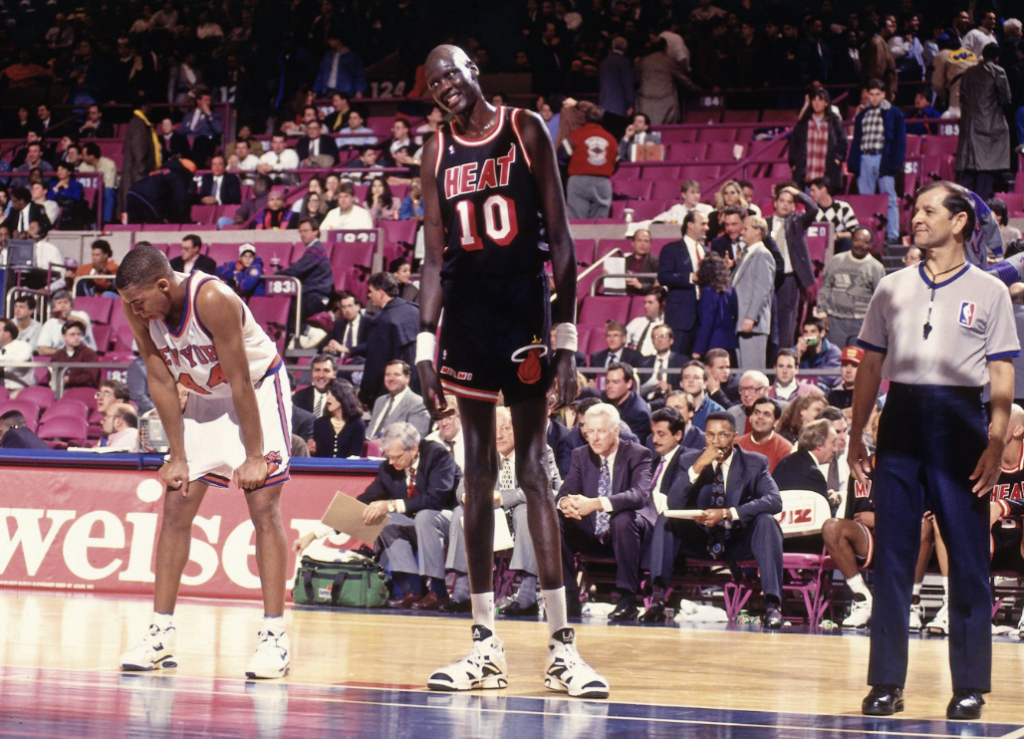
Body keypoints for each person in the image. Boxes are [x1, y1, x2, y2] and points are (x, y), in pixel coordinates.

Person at [416, 45, 607, 697]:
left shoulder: (523, 128)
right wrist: (422, 340)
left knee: (531, 470)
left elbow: (561, 239)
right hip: (466, 317)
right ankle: (483, 643)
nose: (444, 87)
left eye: (452, 73)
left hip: (523, 310)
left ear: (475, 70)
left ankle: (562, 647)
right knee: (474, 474)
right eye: (433, 81)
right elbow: (434, 256)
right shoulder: (436, 152)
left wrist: (567, 339)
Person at [849, 181, 1019, 720]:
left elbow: (1000, 373)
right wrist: (856, 435)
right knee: (895, 560)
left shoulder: (990, 290)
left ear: (961, 221)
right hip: (899, 421)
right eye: (915, 209)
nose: (916, 218)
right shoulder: (891, 285)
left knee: (968, 561)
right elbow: (870, 367)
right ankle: (885, 683)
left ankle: (969, 685)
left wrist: (995, 442)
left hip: (960, 423)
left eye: (928, 210)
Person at [115, 245, 294, 679]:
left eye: (138, 301)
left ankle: (275, 636)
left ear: (163, 285)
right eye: (128, 304)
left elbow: (239, 381)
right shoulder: (139, 309)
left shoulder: (211, 298)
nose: (134, 310)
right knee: (176, 505)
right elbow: (159, 377)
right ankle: (161, 632)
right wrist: (177, 456)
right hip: (204, 400)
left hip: (254, 391)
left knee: (263, 507)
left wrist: (254, 456)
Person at [295, 422, 461, 609]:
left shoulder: (437, 455)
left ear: (413, 449)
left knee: (423, 516)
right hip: (419, 523)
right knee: (386, 521)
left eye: (396, 457)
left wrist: (390, 504)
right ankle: (415, 590)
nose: (391, 462)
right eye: (388, 457)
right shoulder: (389, 468)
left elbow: (436, 499)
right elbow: (361, 503)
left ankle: (438, 591)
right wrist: (313, 534)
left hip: (450, 522)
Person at [664, 412, 786, 628]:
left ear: (735, 436)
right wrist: (698, 466)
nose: (716, 441)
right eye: (710, 435)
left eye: (723, 435)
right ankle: (656, 599)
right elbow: (673, 504)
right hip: (700, 540)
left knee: (767, 521)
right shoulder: (688, 460)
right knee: (664, 522)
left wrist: (730, 512)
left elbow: (774, 500)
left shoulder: (754, 463)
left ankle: (773, 605)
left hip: (737, 540)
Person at [444, 406, 562, 616]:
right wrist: (466, 497)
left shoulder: (538, 450)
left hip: (522, 519)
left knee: (525, 511)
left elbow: (549, 490)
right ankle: (461, 591)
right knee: (460, 513)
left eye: (506, 428)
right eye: (495, 429)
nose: (499, 435)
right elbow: (465, 484)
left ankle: (527, 595)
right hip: (491, 519)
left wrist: (504, 497)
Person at [557, 402, 654, 622]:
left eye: (600, 431)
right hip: (592, 531)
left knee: (622, 519)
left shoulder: (638, 454)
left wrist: (596, 503)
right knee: (557, 518)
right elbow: (564, 492)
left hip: (629, 532)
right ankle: (569, 596)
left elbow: (639, 496)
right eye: (589, 432)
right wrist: (565, 504)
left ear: (616, 431)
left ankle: (628, 599)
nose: (594, 438)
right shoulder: (581, 455)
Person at [848, 79, 906, 245]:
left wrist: (894, 164)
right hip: (865, 158)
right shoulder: (862, 115)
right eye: (871, 94)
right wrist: (854, 164)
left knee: (889, 198)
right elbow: (857, 140)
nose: (873, 98)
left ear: (883, 94)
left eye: (877, 94)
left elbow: (899, 141)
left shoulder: (893, 113)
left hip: (883, 158)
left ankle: (893, 235)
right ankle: (867, 234)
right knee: (865, 199)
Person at [955, 43, 1011, 202]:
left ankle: (957, 205)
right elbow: (1005, 98)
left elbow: (963, 97)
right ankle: (979, 212)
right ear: (997, 58)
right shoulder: (997, 72)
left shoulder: (969, 72)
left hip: (969, 127)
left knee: (970, 172)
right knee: (986, 170)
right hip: (989, 127)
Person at [817, 227, 885, 349]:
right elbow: (826, 287)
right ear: (852, 240)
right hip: (835, 321)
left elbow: (880, 299)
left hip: (861, 323)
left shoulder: (876, 267)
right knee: (835, 361)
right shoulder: (837, 260)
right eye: (857, 240)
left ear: (870, 245)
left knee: (857, 362)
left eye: (865, 242)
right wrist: (822, 313)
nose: (860, 245)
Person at [768, 184, 818, 349]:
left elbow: (813, 209)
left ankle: (784, 360)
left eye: (789, 202)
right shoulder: (764, 224)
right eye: (782, 200)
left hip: (789, 280)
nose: (785, 205)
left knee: (786, 324)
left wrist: (797, 192)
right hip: (767, 279)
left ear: (794, 206)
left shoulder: (797, 222)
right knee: (767, 322)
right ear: (775, 203)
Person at [360, 271, 419, 407]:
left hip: (391, 395)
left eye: (370, 291)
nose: (369, 296)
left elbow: (375, 364)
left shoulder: (382, 321)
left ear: (381, 292)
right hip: (418, 388)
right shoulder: (416, 310)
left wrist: (365, 395)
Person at [658, 211, 708, 355]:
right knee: (678, 362)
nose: (707, 228)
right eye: (703, 223)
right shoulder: (671, 249)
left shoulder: (707, 251)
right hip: (681, 319)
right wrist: (690, 277)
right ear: (690, 225)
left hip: (704, 319)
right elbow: (663, 277)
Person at [732, 216, 776, 369]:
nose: (741, 232)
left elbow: (762, 289)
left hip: (752, 326)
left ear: (757, 231)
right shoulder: (746, 253)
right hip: (741, 323)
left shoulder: (763, 254)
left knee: (753, 372)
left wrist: (751, 317)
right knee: (743, 373)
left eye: (745, 229)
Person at [564, 105, 617, 219]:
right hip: (602, 182)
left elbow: (560, 158)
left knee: (577, 224)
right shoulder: (611, 139)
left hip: (578, 182)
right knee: (600, 227)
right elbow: (617, 163)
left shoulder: (574, 135)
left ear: (585, 117)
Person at [789, 88, 848, 190]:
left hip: (826, 174)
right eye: (814, 100)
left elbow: (843, 142)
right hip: (806, 173)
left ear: (826, 103)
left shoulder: (834, 121)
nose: (816, 103)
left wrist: (837, 158)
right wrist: (794, 163)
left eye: (820, 100)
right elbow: (794, 143)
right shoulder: (804, 122)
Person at [277, 220, 334, 322]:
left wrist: (275, 275)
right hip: (311, 294)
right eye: (301, 231)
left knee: (289, 309)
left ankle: (306, 333)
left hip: (317, 296)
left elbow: (297, 269)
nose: (302, 234)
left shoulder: (316, 250)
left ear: (315, 232)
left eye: (306, 231)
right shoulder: (313, 249)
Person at [772, 418, 837, 507]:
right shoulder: (813, 474)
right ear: (818, 444)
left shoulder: (785, 461)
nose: (835, 449)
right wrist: (836, 500)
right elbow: (828, 514)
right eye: (833, 444)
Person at [367, 360, 431, 440]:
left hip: (391, 451)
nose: (391, 379)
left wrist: (378, 445)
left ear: (407, 378)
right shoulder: (380, 401)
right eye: (387, 375)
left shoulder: (417, 403)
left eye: (396, 374)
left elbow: (414, 440)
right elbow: (370, 431)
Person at [692, 252, 738, 360]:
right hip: (729, 343)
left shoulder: (708, 291)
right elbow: (735, 315)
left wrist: (698, 350)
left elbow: (707, 323)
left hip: (713, 344)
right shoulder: (730, 290)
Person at [126, 158, 197, 224]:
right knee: (156, 227)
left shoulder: (162, 171)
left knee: (134, 226)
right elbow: (180, 200)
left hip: (132, 192)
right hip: (149, 198)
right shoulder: (179, 176)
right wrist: (184, 221)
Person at [309, 378, 365, 458]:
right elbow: (318, 456)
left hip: (348, 469)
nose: (328, 398)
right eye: (327, 394)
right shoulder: (320, 423)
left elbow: (355, 456)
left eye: (332, 394)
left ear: (344, 396)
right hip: (323, 469)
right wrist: (313, 451)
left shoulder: (357, 425)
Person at [737, 397, 792, 472]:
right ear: (750, 418)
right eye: (756, 413)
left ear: (776, 422)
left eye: (766, 414)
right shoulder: (737, 444)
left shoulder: (785, 449)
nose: (760, 417)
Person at [601, 362, 652, 442]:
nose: (609, 386)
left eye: (615, 382)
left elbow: (634, 445)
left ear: (629, 383)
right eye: (608, 382)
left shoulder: (639, 413)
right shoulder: (605, 397)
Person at [809, 177, 859, 251]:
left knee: (847, 241)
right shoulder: (811, 210)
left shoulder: (843, 207)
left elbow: (855, 231)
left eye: (813, 190)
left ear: (824, 190)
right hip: (818, 247)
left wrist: (837, 236)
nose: (810, 194)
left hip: (838, 245)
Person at [795, 317, 842, 391]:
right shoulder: (799, 349)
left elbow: (827, 380)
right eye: (806, 332)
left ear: (822, 333)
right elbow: (787, 375)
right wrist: (798, 355)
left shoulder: (833, 353)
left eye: (813, 332)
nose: (809, 336)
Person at [639, 325, 684, 401]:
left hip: (672, 400)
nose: (659, 340)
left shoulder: (682, 361)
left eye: (663, 336)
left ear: (671, 340)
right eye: (655, 337)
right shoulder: (643, 362)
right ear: (652, 342)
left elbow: (686, 385)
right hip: (648, 401)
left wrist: (670, 387)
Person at [680, 360, 724, 430]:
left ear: (705, 383)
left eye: (696, 377)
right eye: (687, 377)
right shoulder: (673, 410)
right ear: (681, 383)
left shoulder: (717, 412)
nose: (691, 380)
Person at [59, 319, 100, 389]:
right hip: (61, 391)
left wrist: (69, 379)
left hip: (83, 391)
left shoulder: (89, 354)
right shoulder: (58, 355)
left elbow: (90, 377)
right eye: (72, 334)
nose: (76, 337)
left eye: (78, 334)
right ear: (64, 337)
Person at [625, 286, 664, 356]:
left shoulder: (666, 325)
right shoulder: (637, 322)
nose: (646, 306)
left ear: (662, 305)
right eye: (645, 302)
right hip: (635, 362)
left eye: (650, 303)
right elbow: (623, 340)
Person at [728, 370, 769, 434]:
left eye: (751, 389)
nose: (746, 394)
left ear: (765, 390)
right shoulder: (732, 413)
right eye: (743, 389)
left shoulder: (783, 411)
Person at [0, 319, 35, 394]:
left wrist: (2, 360)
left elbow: (21, 359)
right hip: (2, 391)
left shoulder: (23, 346)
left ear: (7, 334)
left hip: (21, 391)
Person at [623, 229, 659, 296]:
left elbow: (658, 285)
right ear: (633, 243)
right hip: (625, 296)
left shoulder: (655, 261)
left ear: (650, 244)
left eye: (646, 241)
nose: (642, 244)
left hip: (645, 297)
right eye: (639, 240)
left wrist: (641, 286)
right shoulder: (625, 261)